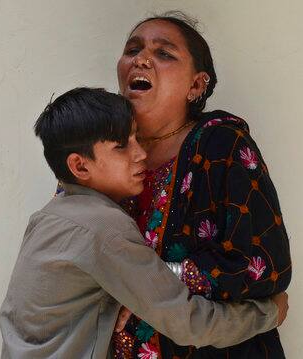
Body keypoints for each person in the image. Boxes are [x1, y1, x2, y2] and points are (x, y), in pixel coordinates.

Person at [0, 88, 288, 359]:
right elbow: (186, 322)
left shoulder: (46, 218)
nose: (141, 154)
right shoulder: (104, 226)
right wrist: (269, 313)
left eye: (138, 139)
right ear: (80, 166)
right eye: (122, 146)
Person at [111, 12, 292, 358]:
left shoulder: (220, 143)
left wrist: (148, 279)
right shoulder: (97, 148)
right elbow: (71, 242)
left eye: (164, 53)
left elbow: (265, 263)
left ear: (196, 85)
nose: (142, 59)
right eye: (133, 50)